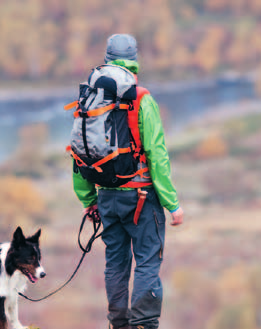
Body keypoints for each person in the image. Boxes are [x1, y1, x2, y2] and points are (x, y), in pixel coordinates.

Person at [71, 33, 184, 329]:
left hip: (106, 198)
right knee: (147, 261)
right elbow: (157, 155)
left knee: (116, 263)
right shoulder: (141, 99)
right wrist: (172, 204)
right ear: (134, 63)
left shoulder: (90, 98)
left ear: (107, 59)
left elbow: (79, 153)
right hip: (141, 198)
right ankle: (144, 325)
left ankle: (118, 325)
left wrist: (89, 201)